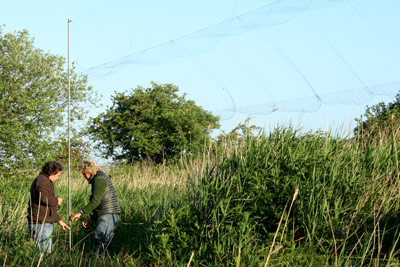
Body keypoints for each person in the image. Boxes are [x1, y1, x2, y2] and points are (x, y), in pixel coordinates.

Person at [70, 160, 120, 254]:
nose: (84, 176)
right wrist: (92, 218)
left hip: (108, 215)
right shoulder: (99, 178)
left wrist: (80, 212)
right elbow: (100, 202)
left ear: (89, 171)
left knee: (100, 243)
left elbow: (95, 202)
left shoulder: (99, 179)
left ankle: (98, 262)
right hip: (108, 214)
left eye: (84, 173)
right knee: (103, 245)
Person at [27, 161, 70, 254]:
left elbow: (47, 208)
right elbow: (44, 199)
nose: (58, 178)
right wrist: (57, 200)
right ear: (51, 173)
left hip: (42, 223)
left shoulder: (44, 180)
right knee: (44, 254)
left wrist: (59, 220)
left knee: (42, 253)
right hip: (41, 224)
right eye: (58, 175)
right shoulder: (42, 181)